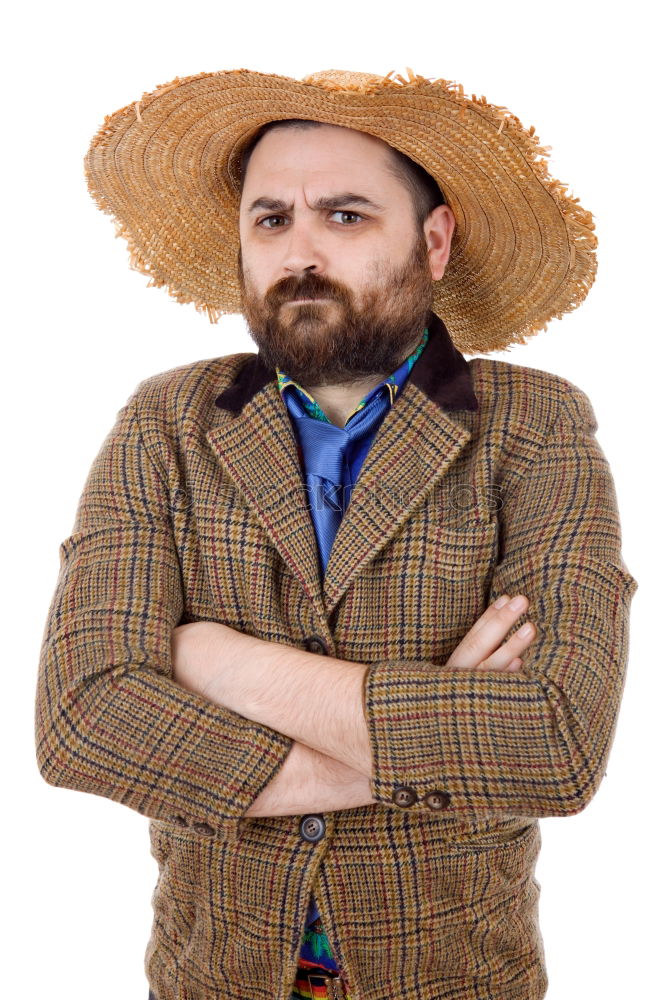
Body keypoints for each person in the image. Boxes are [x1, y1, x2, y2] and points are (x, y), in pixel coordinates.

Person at [35, 66, 638, 1000]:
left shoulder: (535, 426)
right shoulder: (168, 421)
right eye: (271, 219)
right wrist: (437, 734)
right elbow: (83, 721)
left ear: (433, 242)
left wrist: (222, 665)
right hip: (211, 978)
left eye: (346, 216)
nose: (300, 252)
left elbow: (557, 745)